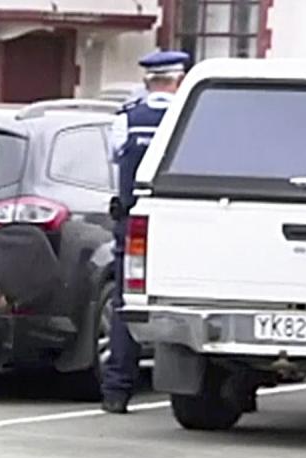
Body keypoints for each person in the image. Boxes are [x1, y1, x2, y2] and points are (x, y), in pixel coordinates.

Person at [101, 50, 190, 414]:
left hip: (133, 223)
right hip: (181, 225)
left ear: (147, 81)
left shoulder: (127, 119)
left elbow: (115, 158)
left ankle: (117, 391)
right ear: (179, 80)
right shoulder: (187, 116)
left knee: (128, 307)